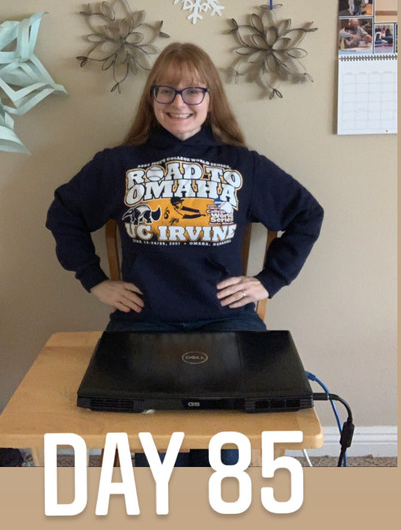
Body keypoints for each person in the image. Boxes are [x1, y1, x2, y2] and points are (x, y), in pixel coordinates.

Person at [46, 42, 324, 464]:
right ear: (151, 98)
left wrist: (268, 281)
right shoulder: (119, 164)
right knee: (145, 452)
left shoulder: (242, 165)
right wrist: (94, 280)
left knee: (225, 449)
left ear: (211, 98)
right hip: (144, 322)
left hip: (227, 320)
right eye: (166, 90)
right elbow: (63, 212)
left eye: (193, 90)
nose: (180, 103)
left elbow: (307, 214)